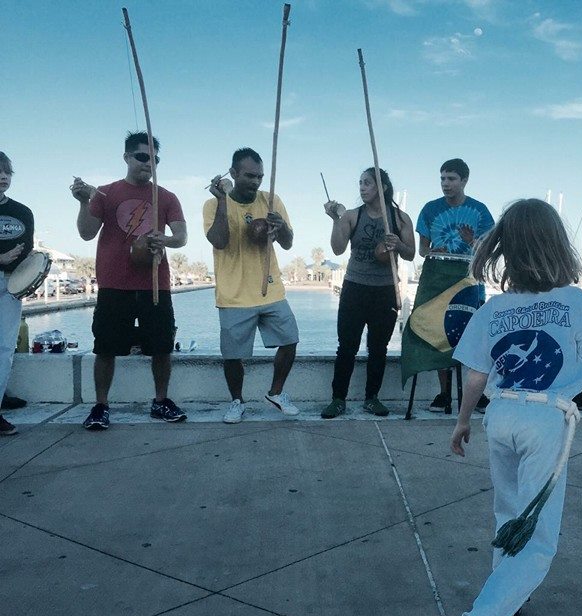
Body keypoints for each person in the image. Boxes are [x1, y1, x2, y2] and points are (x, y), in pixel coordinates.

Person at [439, 199, 582, 616]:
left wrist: (463, 421)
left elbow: (474, 375)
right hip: (546, 418)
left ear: (506, 251)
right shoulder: (576, 301)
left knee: (508, 514)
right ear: (558, 246)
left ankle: (508, 607)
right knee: (537, 539)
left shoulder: (494, 309)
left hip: (501, 417)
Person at [70, 132, 188, 430]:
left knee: (162, 347)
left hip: (155, 284)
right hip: (114, 285)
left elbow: (182, 237)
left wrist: (166, 240)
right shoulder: (105, 194)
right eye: (143, 157)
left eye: (155, 159)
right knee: (105, 348)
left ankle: (161, 402)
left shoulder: (168, 197)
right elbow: (86, 233)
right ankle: (101, 406)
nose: (150, 164)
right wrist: (85, 202)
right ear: (127, 157)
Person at [204, 147, 299, 424]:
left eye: (259, 176)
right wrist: (222, 201)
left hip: (269, 288)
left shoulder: (271, 200)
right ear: (233, 173)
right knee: (233, 355)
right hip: (233, 294)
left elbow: (289, 242)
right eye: (249, 176)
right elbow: (219, 240)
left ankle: (276, 393)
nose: (256, 182)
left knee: (290, 339)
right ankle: (236, 401)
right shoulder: (212, 204)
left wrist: (280, 226)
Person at [401, 158, 495, 413]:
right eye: (442, 178)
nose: (445, 183)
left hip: (469, 282)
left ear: (464, 181)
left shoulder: (480, 211)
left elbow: (489, 251)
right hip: (438, 282)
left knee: (474, 337)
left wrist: (471, 240)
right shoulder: (430, 209)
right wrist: (432, 250)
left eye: (451, 179)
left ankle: (479, 394)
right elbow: (422, 250)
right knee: (440, 333)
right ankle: (443, 394)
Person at [321, 169, 415, 418]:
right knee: (347, 346)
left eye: (367, 183)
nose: (362, 188)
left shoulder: (400, 218)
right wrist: (335, 221)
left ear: (382, 187)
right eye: (360, 183)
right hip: (354, 288)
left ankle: (372, 398)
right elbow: (338, 249)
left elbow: (410, 254)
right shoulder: (352, 215)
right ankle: (338, 399)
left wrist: (399, 244)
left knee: (378, 348)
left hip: (385, 290)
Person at [0, 151, 34, 436]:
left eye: (7, 172)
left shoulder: (23, 212)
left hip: (10, 285)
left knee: (4, 347)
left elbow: (27, 252)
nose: (2, 177)